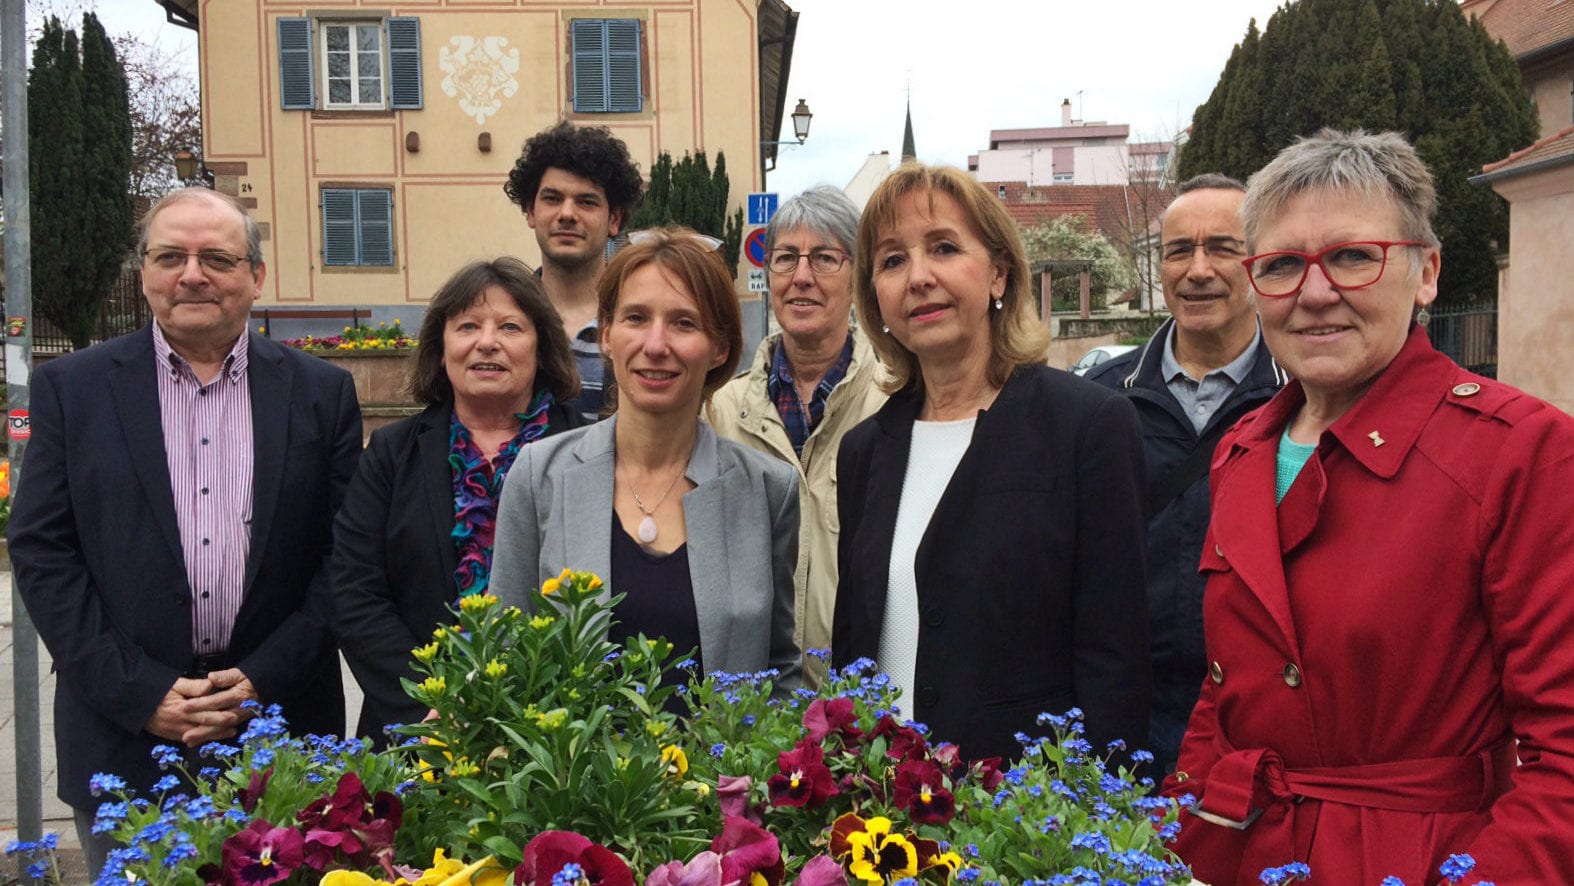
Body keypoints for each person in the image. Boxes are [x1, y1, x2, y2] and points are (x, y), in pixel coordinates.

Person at [1163, 130, 1574, 885]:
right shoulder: (1243, 452)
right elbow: (1223, 697)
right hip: (1236, 853)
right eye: (1283, 265)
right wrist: (1169, 846)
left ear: (1427, 274)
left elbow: (1565, 761)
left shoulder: (1522, 454)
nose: (1316, 292)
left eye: (1353, 257)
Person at [8, 188, 361, 877]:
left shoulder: (322, 393)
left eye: (216, 258)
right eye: (170, 256)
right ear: (144, 273)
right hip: (123, 736)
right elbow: (42, 550)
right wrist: (140, 693)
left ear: (255, 276)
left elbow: (345, 557)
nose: (192, 274)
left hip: (282, 732)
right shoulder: (73, 391)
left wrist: (264, 679)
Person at [831, 165, 1150, 763]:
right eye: (892, 260)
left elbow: (1116, 661)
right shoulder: (865, 452)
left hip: (1024, 822)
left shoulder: (1088, 428)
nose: (919, 277)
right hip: (885, 819)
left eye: (945, 248)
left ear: (999, 271)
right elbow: (854, 650)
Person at [491, 228, 801, 691]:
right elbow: (505, 657)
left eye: (684, 323)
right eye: (636, 318)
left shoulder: (768, 490)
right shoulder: (540, 476)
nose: (656, 345)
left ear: (718, 347)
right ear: (608, 335)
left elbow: (778, 670)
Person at [332, 258, 584, 739]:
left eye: (510, 327)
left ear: (542, 348)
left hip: (556, 733)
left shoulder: (586, 450)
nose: (487, 342)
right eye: (467, 325)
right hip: (414, 732)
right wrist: (426, 703)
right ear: (441, 347)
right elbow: (354, 591)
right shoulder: (392, 453)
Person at [1085, 173, 1286, 776]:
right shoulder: (1098, 402)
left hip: (1251, 730)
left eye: (1222, 247)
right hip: (1118, 727)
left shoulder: (1301, 401)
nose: (1198, 269)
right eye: (1179, 251)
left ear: (1257, 263)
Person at [708, 186, 886, 686]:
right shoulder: (721, 410)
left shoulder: (896, 403)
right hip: (747, 701)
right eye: (785, 258)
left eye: (825, 258)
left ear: (858, 277)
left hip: (863, 702)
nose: (801, 277)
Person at [504, 121, 645, 422]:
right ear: (531, 211)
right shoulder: (500, 319)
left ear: (614, 220)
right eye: (552, 199)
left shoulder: (645, 324)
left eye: (586, 202)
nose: (567, 214)